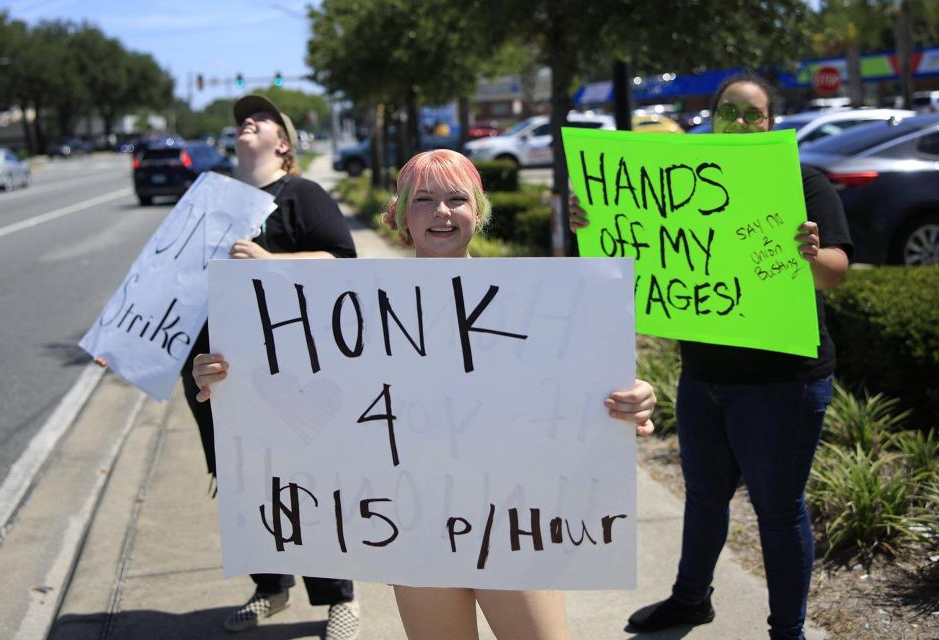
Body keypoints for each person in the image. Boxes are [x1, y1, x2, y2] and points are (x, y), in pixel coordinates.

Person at [195, 149, 658, 640]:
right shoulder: (360, 309)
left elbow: (581, 389)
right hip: (414, 527)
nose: (442, 211)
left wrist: (635, 399)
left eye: (457, 198)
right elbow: (313, 408)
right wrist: (236, 382)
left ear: (477, 211)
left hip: (516, 524)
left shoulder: (533, 300)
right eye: (424, 200)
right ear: (399, 217)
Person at [570, 73, 852, 640]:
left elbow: (836, 275)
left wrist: (812, 254)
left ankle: (786, 632)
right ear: (713, 117)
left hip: (783, 380)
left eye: (754, 114)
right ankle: (690, 600)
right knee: (703, 496)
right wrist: (592, 223)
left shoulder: (803, 182)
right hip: (705, 375)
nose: (742, 122)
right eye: (731, 112)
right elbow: (627, 257)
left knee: (777, 509)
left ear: (771, 121)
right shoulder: (681, 180)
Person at [182, 94, 360, 639]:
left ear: (283, 143)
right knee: (242, 483)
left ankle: (338, 600)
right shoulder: (211, 200)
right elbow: (175, 285)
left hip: (292, 371)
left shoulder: (300, 194)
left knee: (307, 479)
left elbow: (341, 261)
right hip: (221, 373)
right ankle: (271, 586)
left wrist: (271, 262)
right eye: (241, 120)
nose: (246, 123)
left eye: (259, 119)